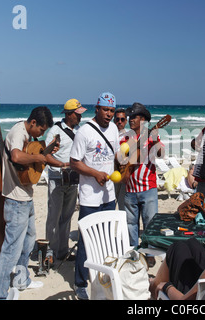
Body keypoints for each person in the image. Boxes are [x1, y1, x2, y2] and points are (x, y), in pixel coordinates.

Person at [0, 106, 57, 300]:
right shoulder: (17, 132)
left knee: (29, 242)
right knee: (11, 249)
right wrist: (39, 157)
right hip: (16, 201)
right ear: (33, 123)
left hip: (27, 198)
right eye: (41, 129)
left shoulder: (28, 137)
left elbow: (31, 158)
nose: (42, 133)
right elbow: (16, 156)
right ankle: (0, 295)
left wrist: (47, 153)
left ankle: (22, 280)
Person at [69, 92, 119, 300]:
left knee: (107, 239)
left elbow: (115, 155)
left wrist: (122, 163)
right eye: (106, 110)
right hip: (90, 196)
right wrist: (95, 173)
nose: (109, 114)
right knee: (86, 240)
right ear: (97, 108)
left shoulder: (115, 129)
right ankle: (80, 283)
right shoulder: (84, 132)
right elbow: (74, 162)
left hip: (109, 196)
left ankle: (102, 276)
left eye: (112, 111)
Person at [44, 99, 86, 263]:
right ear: (69, 114)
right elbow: (46, 155)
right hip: (57, 178)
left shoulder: (79, 130)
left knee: (67, 216)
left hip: (73, 179)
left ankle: (62, 251)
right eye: (77, 114)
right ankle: (50, 254)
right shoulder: (55, 131)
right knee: (53, 218)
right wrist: (63, 164)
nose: (80, 117)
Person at [121, 102, 164, 247]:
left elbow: (161, 153)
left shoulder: (151, 136)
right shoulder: (125, 138)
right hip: (130, 189)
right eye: (130, 116)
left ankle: (150, 252)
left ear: (143, 120)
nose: (130, 119)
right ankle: (133, 251)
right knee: (130, 224)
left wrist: (155, 139)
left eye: (134, 116)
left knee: (150, 223)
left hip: (148, 189)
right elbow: (120, 159)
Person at [114, 108, 128, 210]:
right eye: (117, 119)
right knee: (109, 206)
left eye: (122, 119)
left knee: (123, 206)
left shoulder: (129, 137)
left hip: (123, 175)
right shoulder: (109, 135)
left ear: (126, 121)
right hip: (111, 174)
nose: (120, 122)